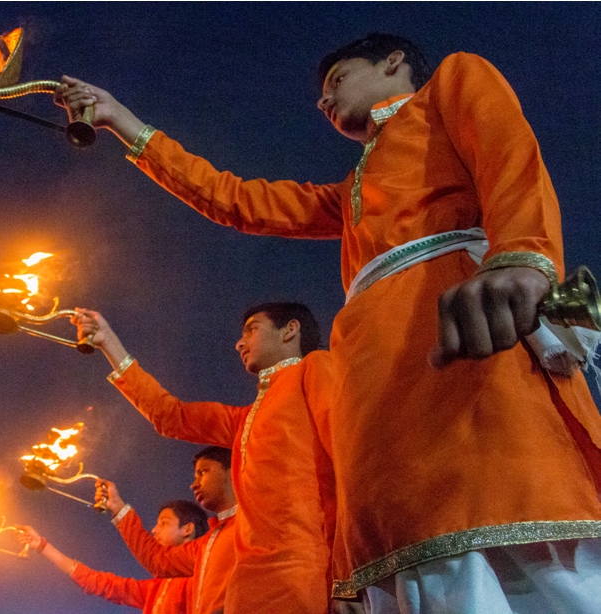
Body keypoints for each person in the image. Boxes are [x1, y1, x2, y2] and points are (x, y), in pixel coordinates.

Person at [57, 33, 601, 612]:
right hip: (376, 378)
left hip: (461, 330)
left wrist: (520, 256)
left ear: (393, 63)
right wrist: (123, 121)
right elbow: (237, 200)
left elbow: (509, 153)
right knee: (416, 558)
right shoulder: (348, 196)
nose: (324, 102)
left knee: (512, 518)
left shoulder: (451, 84)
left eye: (336, 81)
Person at [74, 303, 336, 613]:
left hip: (301, 577)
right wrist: (109, 343)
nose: (239, 343)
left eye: (252, 329)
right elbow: (170, 416)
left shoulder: (315, 369)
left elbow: (347, 463)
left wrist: (347, 576)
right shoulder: (244, 420)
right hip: (249, 588)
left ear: (290, 330)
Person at [97, 447, 238, 614]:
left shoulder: (258, 521)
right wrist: (117, 506)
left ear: (232, 472)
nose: (193, 485)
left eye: (203, 472)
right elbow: (158, 560)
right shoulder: (207, 545)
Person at [15, 499, 207, 614]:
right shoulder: (158, 588)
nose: (154, 530)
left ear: (188, 529)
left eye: (164, 523)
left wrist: (116, 506)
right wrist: (42, 546)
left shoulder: (210, 572)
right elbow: (102, 583)